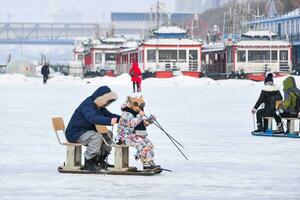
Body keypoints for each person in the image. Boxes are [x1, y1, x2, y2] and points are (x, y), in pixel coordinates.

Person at [65, 86, 120, 172]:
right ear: (101, 98)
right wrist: (109, 121)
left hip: (87, 131)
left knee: (108, 134)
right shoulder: (87, 105)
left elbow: (110, 115)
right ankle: (89, 162)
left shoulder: (99, 107)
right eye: (107, 101)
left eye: (109, 102)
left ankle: (100, 159)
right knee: (97, 136)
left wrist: (123, 120)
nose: (107, 104)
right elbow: (92, 118)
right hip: (75, 133)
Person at [115, 96, 161, 171]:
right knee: (142, 144)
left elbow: (141, 124)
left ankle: (150, 161)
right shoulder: (127, 114)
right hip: (124, 136)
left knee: (148, 143)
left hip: (134, 135)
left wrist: (150, 120)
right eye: (139, 106)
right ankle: (146, 164)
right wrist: (140, 116)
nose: (140, 108)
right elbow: (132, 124)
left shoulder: (135, 113)